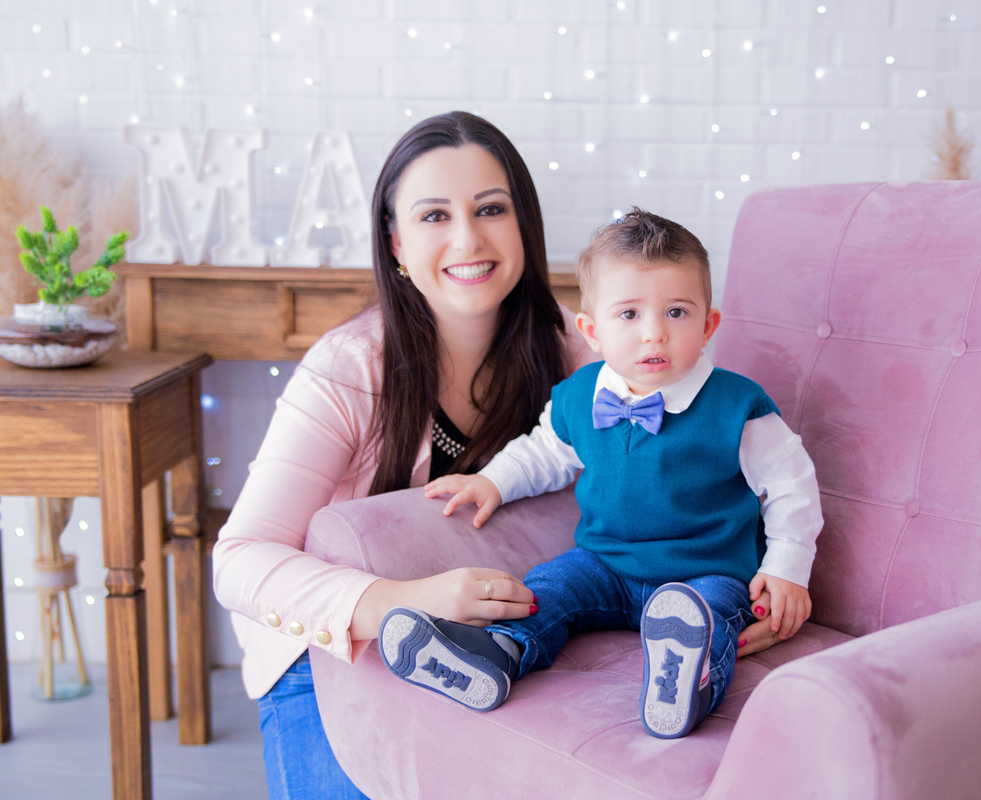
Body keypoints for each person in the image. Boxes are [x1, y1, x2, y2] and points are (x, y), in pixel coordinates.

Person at [213, 112, 593, 799]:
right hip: (329, 648)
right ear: (395, 243)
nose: (468, 238)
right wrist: (402, 603)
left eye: (490, 209)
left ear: (524, 225)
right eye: (434, 215)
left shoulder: (568, 349)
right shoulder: (350, 366)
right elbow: (238, 560)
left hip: (492, 640)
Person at [381, 208, 823, 739]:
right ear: (592, 330)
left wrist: (788, 569)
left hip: (707, 572)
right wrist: (492, 480)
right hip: (606, 564)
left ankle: (684, 682)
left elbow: (792, 488)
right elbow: (545, 451)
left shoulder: (739, 408)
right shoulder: (580, 395)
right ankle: (497, 654)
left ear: (708, 325)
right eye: (630, 315)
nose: (655, 334)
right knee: (548, 588)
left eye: (677, 313)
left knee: (711, 615)